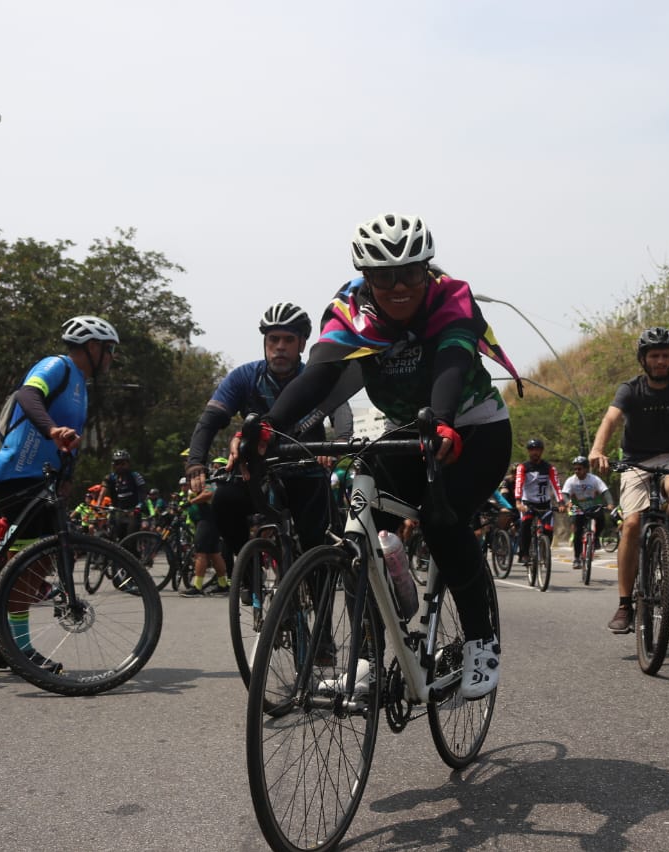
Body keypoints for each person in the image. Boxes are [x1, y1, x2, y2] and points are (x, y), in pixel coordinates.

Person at [238, 212, 520, 700]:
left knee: (441, 520)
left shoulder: (450, 295)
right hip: (409, 431)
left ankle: (481, 639)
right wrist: (268, 426)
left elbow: (453, 360)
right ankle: (368, 652)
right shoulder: (349, 310)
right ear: (366, 277)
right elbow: (318, 377)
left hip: (474, 428)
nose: (399, 286)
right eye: (384, 276)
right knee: (355, 518)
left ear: (426, 270)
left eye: (411, 273)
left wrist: (446, 420)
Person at [0, 314, 119, 673]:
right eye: (109, 352)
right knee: (27, 562)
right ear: (92, 347)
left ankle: (4, 640)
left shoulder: (82, 386)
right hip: (17, 472)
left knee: (45, 559)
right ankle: (16, 649)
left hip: (42, 479)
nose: (110, 359)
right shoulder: (56, 366)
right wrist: (51, 430)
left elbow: (71, 440)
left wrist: (67, 477)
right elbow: (27, 396)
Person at [185, 302, 354, 570]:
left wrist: (337, 446)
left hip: (306, 470)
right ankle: (248, 568)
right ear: (265, 341)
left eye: (288, 339)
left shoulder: (316, 376)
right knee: (224, 501)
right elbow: (210, 420)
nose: (280, 346)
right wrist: (195, 462)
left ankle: (315, 588)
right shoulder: (244, 377)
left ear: (302, 344)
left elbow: (341, 415)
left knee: (316, 553)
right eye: (273, 339)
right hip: (257, 471)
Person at [589, 327, 669, 634]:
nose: (661, 361)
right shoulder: (630, 389)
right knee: (632, 524)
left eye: (665, 356)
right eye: (654, 356)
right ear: (643, 360)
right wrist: (597, 449)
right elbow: (610, 419)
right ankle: (624, 605)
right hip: (635, 461)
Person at [514, 439, 565, 564]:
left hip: (544, 504)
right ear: (528, 451)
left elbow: (556, 485)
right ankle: (524, 553)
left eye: (537, 450)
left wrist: (561, 502)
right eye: (532, 450)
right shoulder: (523, 467)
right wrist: (518, 502)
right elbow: (519, 484)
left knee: (548, 529)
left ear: (541, 451)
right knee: (525, 524)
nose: (535, 452)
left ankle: (544, 551)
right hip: (528, 503)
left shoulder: (549, 468)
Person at [559, 455, 615, 569]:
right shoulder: (571, 480)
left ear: (586, 469)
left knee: (601, 519)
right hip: (576, 506)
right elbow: (564, 494)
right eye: (575, 469)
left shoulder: (594, 479)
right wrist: (567, 502)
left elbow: (605, 491)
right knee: (577, 532)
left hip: (592, 506)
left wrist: (610, 503)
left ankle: (596, 538)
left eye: (579, 469)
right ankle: (576, 558)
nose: (577, 471)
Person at [179, 473, 229, 597]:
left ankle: (197, 587)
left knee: (200, 553)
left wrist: (191, 502)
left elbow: (208, 494)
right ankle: (223, 585)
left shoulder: (204, 480)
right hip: (209, 521)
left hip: (207, 521)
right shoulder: (199, 481)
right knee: (214, 554)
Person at [99, 450, 146, 540]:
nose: (120, 466)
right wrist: (98, 505)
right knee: (116, 538)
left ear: (128, 464)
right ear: (113, 465)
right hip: (118, 511)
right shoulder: (110, 478)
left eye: (123, 463)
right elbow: (103, 491)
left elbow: (143, 492)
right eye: (117, 463)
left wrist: (139, 506)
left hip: (133, 511)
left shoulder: (135, 476)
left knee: (129, 541)